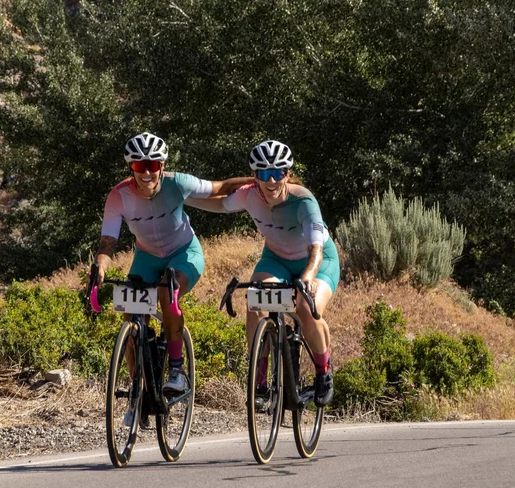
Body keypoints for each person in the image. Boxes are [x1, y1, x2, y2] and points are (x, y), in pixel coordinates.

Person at [95, 132, 253, 410]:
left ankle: (177, 370)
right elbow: (108, 242)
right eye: (139, 166)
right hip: (147, 256)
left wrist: (262, 179)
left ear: (162, 166)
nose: (146, 172)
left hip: (184, 253)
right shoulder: (118, 196)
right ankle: (138, 388)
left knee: (168, 292)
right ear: (130, 168)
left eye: (152, 166)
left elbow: (222, 187)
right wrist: (100, 267)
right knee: (130, 319)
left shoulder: (179, 182)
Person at [187, 140, 339, 407]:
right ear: (255, 176)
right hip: (276, 259)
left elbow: (316, 248)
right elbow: (220, 204)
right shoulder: (249, 194)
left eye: (277, 173)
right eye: (263, 174)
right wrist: (182, 198)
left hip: (318, 260)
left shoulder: (303, 200)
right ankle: (259, 381)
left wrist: (308, 277)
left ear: (287, 175)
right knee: (256, 302)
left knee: (306, 307)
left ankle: (323, 371)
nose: (271, 181)